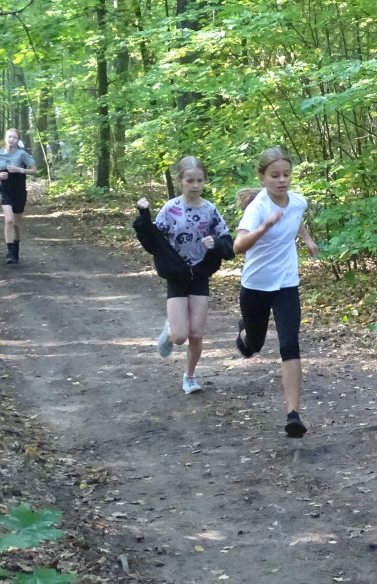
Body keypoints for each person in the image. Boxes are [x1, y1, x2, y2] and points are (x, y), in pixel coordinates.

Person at [233, 147, 319, 438]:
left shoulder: (298, 201)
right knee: (253, 347)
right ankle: (245, 334)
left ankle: (293, 414)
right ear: (262, 177)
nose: (282, 180)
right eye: (275, 175)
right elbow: (238, 246)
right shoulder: (258, 207)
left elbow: (297, 219)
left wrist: (307, 239)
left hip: (286, 284)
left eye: (286, 174)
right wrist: (264, 227)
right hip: (256, 285)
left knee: (289, 344)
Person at [133, 156, 235, 395]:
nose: (196, 185)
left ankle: (190, 377)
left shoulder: (210, 210)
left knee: (196, 334)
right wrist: (144, 215)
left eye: (200, 180)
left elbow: (228, 244)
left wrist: (216, 243)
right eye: (190, 180)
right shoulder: (170, 209)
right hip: (177, 275)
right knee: (180, 336)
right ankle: (169, 332)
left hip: (199, 274)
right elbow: (154, 241)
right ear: (180, 181)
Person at [0, 128, 36, 264]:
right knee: (8, 220)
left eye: (14, 138)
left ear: (17, 140)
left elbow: (34, 170)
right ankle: (10, 252)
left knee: (16, 223)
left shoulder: (22, 154)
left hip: (19, 189)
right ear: (5, 139)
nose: (12, 140)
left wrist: (20, 169)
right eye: (9, 137)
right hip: (4, 188)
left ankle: (16, 249)